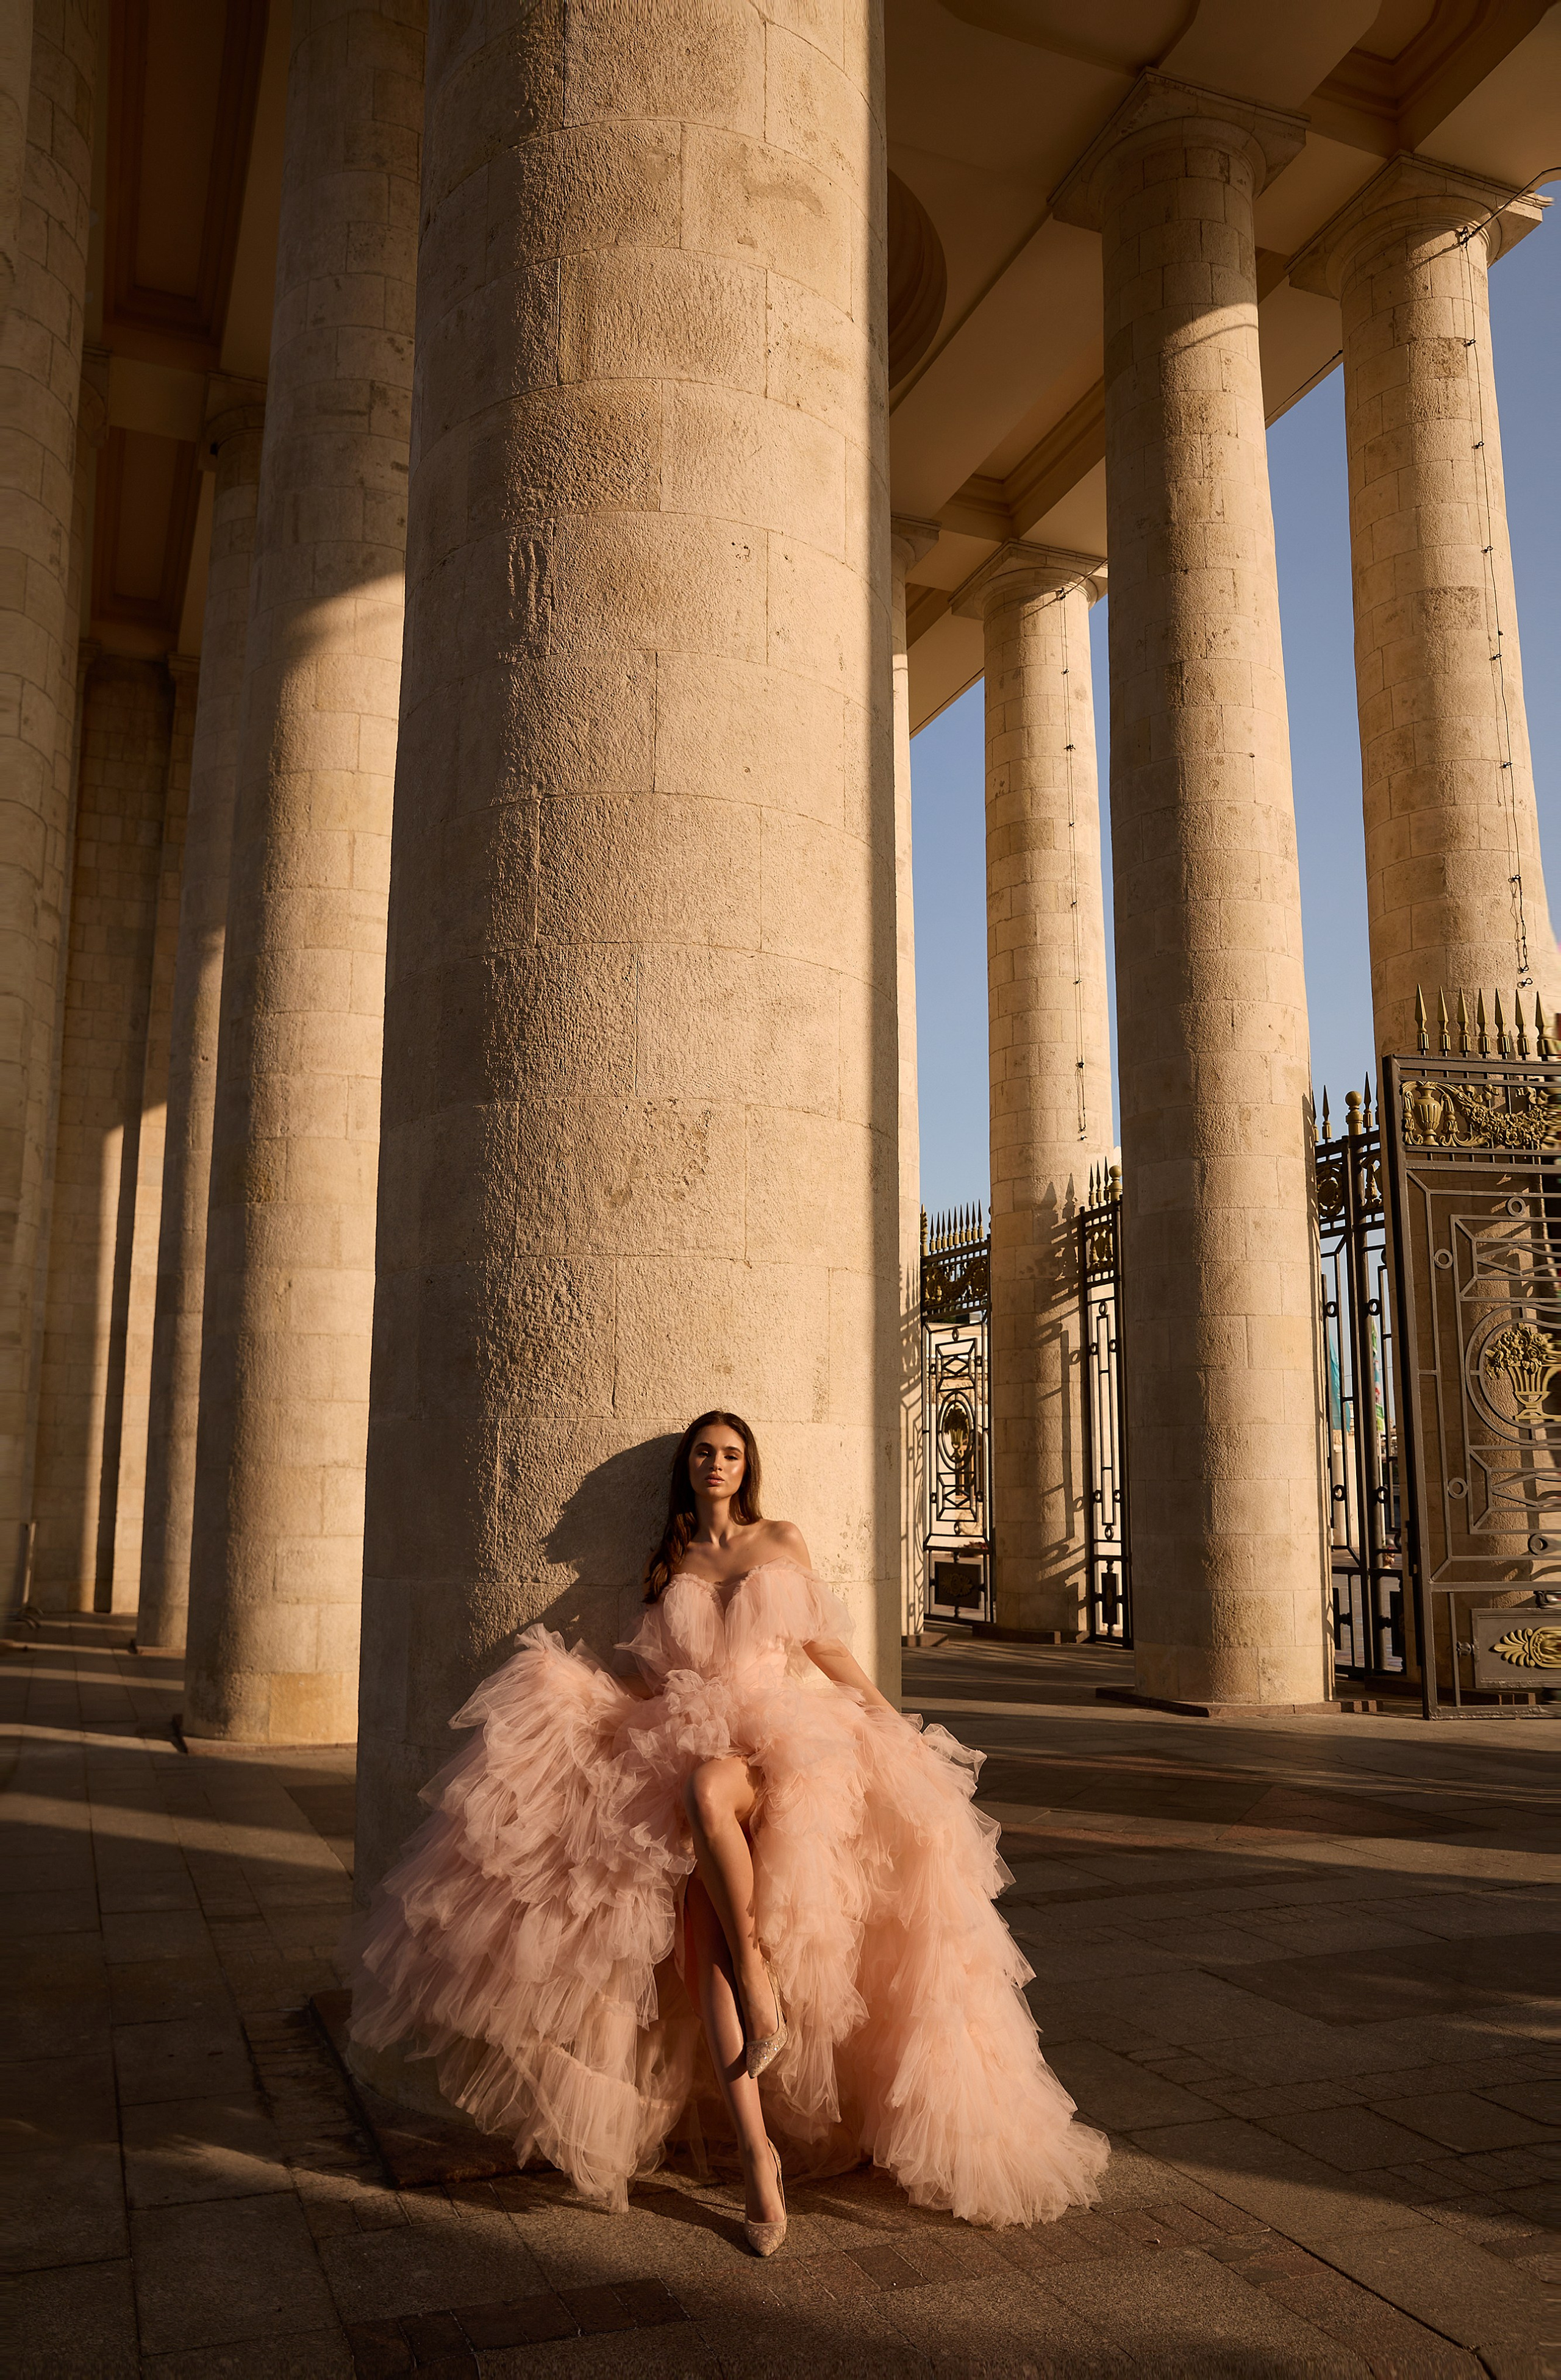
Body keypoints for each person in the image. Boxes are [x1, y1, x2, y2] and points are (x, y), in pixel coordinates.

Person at [349, 1411, 1109, 2253]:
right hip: (683, 1739)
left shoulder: (779, 1539)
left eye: (732, 1454)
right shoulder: (672, 1559)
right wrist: (588, 1706)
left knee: (710, 1793)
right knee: (695, 1942)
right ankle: (757, 2159)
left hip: (778, 1746)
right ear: (689, 1466)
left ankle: (757, 1972)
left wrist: (889, 1721)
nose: (717, 1464)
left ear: (748, 1468)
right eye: (705, 1453)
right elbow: (657, 1675)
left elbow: (825, 1650)